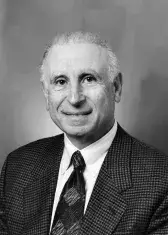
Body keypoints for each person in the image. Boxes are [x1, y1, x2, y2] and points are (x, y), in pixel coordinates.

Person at [0, 31, 168, 235]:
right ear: (46, 94)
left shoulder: (161, 180)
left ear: (116, 88)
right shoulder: (17, 166)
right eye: (60, 81)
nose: (74, 98)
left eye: (88, 79)